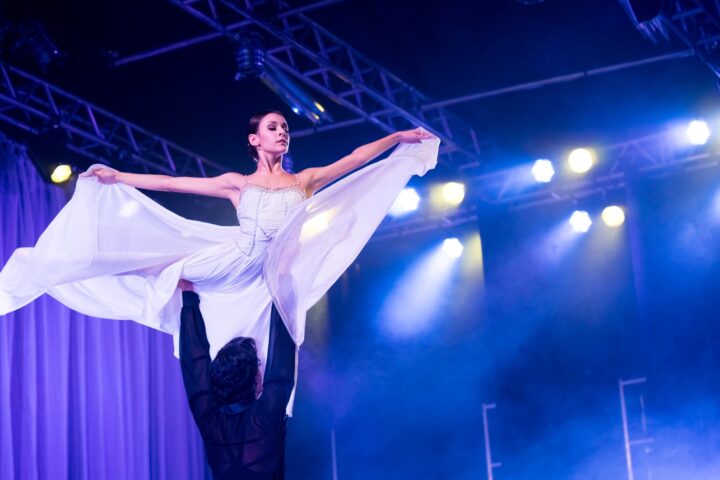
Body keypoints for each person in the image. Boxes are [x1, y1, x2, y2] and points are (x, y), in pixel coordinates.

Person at [0, 110, 440, 413]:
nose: (282, 132)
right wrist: (118, 176)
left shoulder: (304, 181)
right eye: (273, 127)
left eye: (285, 127)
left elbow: (353, 159)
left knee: (281, 336)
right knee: (154, 268)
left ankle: (266, 406)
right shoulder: (238, 184)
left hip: (270, 276)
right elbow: (173, 183)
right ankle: (53, 266)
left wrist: (397, 138)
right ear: (255, 139)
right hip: (233, 261)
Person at [179, 280, 294, 479]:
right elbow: (282, 358)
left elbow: (194, 362)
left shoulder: (210, 419)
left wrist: (189, 299)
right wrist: (278, 287)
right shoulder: (263, 415)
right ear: (252, 379)